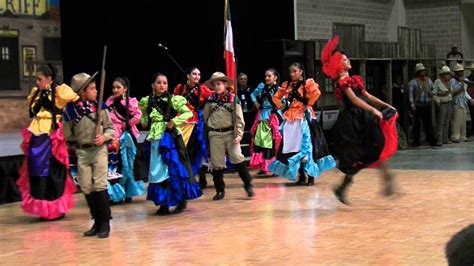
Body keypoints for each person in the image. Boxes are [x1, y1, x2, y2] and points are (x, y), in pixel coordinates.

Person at [321, 36, 398, 205]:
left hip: (363, 117)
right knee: (359, 155)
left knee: (376, 147)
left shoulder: (354, 79)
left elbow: (367, 96)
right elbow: (355, 101)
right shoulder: (342, 82)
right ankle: (345, 186)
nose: (348, 60)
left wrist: (387, 106)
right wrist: (373, 111)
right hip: (352, 121)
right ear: (337, 65)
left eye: (346, 58)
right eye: (343, 59)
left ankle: (387, 179)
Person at [17, 64, 78, 221]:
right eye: (36, 79)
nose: (37, 82)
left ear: (50, 79)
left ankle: (56, 208)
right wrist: (41, 98)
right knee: (36, 167)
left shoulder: (59, 92)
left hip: (52, 135)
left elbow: (74, 99)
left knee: (54, 168)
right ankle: (44, 208)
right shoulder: (36, 93)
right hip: (37, 134)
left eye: (40, 79)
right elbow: (32, 112)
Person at [139, 73, 202, 215]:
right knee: (158, 170)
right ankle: (163, 201)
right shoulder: (146, 101)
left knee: (173, 168)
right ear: (152, 85)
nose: (162, 85)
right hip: (155, 138)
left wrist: (174, 122)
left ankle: (178, 199)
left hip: (171, 138)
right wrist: (144, 121)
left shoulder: (173, 100)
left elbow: (188, 113)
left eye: (165, 83)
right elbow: (143, 118)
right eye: (159, 82)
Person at [63, 72, 114, 238]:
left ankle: (105, 222)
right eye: (92, 88)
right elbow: (66, 133)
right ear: (82, 92)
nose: (96, 91)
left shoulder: (100, 107)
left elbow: (110, 128)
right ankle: (97, 221)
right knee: (86, 186)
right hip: (82, 152)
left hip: (99, 150)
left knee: (99, 185)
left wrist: (104, 137)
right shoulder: (71, 111)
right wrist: (78, 139)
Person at [269, 63, 336, 186]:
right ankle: (301, 175)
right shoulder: (287, 85)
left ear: (301, 71)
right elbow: (275, 98)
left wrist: (308, 104)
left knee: (308, 147)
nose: (292, 74)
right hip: (291, 119)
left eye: (295, 71)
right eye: (291, 72)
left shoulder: (308, 84)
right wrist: (283, 106)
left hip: (304, 118)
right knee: (294, 148)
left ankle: (311, 176)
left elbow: (317, 93)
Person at [203, 72, 254, 200]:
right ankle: (220, 190)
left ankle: (248, 184)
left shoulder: (233, 98)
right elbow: (205, 117)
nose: (217, 87)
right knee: (217, 163)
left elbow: (239, 119)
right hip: (215, 134)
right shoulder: (209, 100)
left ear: (225, 84)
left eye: (219, 84)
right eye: (214, 84)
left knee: (238, 157)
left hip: (231, 133)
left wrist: (239, 134)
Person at [105, 77, 145, 203]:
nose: (115, 90)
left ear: (125, 89)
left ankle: (128, 192)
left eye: (118, 87)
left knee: (128, 164)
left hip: (126, 136)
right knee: (114, 165)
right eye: (113, 87)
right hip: (113, 136)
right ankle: (116, 193)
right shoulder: (109, 101)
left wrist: (127, 124)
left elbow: (138, 116)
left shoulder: (130, 102)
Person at [173, 67, 213, 189]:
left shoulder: (202, 89)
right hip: (180, 122)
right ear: (188, 76)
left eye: (199, 74)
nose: (197, 76)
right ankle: (182, 177)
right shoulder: (180, 88)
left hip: (196, 123)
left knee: (195, 150)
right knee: (179, 150)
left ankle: (197, 177)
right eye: (194, 74)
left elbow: (214, 95)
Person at [249, 69, 282, 175]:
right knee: (261, 141)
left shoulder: (279, 90)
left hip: (274, 117)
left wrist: (279, 108)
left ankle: (275, 167)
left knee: (274, 143)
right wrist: (256, 103)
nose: (267, 78)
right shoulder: (262, 87)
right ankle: (264, 166)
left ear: (275, 77)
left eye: (269, 76)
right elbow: (252, 94)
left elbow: (286, 101)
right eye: (266, 76)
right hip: (262, 116)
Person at [408, 63, 436, 147]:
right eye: (421, 71)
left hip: (427, 104)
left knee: (428, 124)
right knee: (416, 124)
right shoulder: (413, 82)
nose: (423, 72)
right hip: (418, 105)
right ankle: (416, 141)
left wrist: (431, 93)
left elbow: (434, 89)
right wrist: (412, 105)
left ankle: (431, 140)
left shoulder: (429, 80)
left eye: (423, 71)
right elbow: (410, 94)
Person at [450, 63, 473, 143]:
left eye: (462, 71)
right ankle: (455, 136)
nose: (461, 72)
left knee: (463, 120)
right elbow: (452, 92)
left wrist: (470, 99)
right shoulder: (452, 81)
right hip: (456, 102)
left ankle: (463, 136)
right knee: (457, 120)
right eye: (459, 71)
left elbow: (465, 92)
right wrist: (460, 86)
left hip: (463, 102)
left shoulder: (463, 80)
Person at [433, 66, 453, 146]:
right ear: (443, 75)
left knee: (447, 122)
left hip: (448, 103)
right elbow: (434, 93)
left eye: (448, 74)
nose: (448, 76)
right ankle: (439, 139)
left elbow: (451, 92)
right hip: (442, 103)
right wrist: (438, 100)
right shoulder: (437, 81)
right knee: (440, 122)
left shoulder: (449, 82)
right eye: (446, 74)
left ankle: (445, 138)